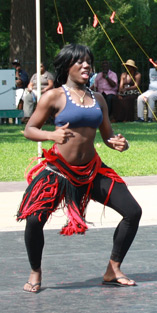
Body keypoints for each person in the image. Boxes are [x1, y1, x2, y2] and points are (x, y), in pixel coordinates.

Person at [16, 44, 142, 293]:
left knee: (132, 212)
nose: (86, 65)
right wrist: (52, 135)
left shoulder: (99, 98)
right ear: (67, 67)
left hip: (92, 170)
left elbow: (107, 136)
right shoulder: (54, 96)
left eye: (88, 61)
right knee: (33, 220)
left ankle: (113, 269)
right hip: (58, 172)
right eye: (80, 62)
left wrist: (117, 143)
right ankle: (35, 271)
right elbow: (29, 129)